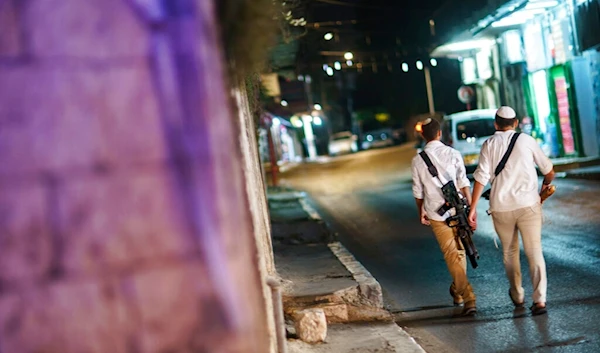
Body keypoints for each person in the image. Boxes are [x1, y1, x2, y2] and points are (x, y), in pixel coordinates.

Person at [468, 106, 555, 316]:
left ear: (496, 124)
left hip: (501, 208)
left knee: (509, 253)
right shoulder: (526, 140)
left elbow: (480, 178)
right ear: (515, 123)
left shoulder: (488, 144)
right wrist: (544, 187)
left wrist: (472, 209)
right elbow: (549, 171)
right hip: (528, 205)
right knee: (534, 251)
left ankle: (517, 295)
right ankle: (540, 300)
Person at [411, 118, 477, 316]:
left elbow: (418, 191)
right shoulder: (453, 153)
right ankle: (461, 292)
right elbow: (464, 182)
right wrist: (471, 210)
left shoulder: (417, 160)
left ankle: (465, 295)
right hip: (459, 211)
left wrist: (420, 210)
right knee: (459, 253)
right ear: (439, 133)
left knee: (454, 254)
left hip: (437, 214)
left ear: (423, 136)